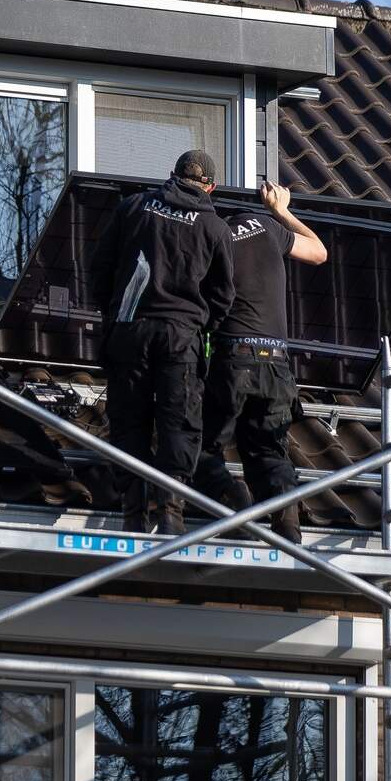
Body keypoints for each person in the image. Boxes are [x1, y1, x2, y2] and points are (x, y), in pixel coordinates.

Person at [94, 150, 236, 536]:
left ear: (170, 175)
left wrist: (111, 316)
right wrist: (203, 325)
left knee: (129, 419)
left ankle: (132, 512)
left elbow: (100, 267)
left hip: (130, 329)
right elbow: (224, 294)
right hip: (181, 337)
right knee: (179, 422)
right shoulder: (215, 228)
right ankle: (170, 512)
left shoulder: (133, 207)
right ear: (211, 186)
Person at [193, 180, 328, 543]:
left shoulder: (211, 235)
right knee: (268, 450)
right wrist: (281, 211)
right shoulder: (269, 228)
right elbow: (319, 253)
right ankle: (287, 527)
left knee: (203, 446)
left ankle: (234, 501)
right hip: (276, 362)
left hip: (231, 359)